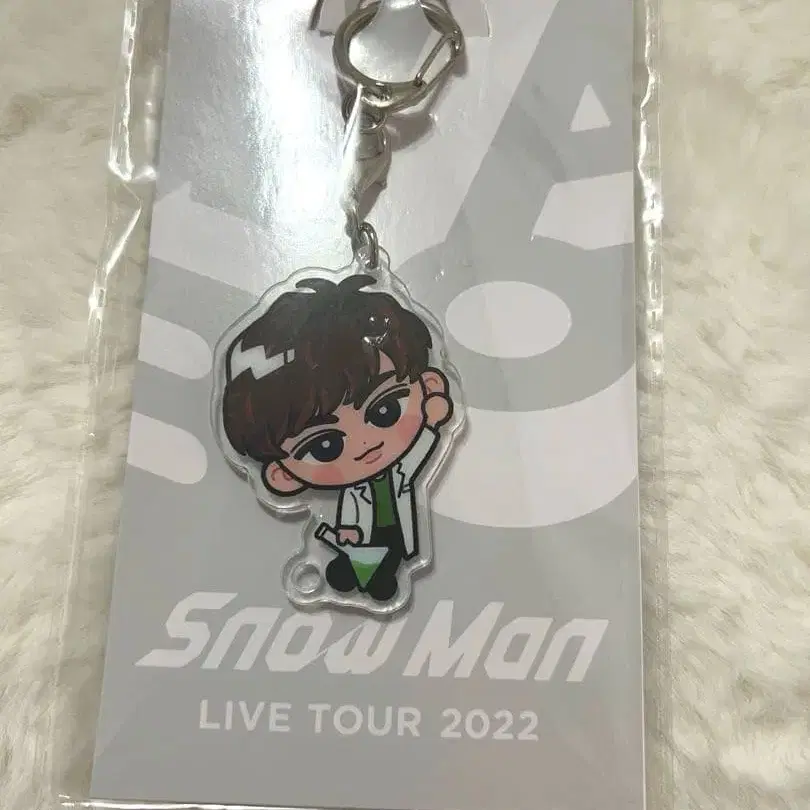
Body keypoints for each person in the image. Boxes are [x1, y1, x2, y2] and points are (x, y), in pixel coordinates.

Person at [221, 274, 454, 602]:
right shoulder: (354, 491)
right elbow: (352, 514)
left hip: (399, 536)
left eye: (384, 411)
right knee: (357, 562)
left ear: (429, 386)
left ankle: (376, 575)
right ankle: (357, 572)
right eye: (325, 446)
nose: (365, 444)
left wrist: (431, 422)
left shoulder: (401, 474)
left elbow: (420, 451)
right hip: (364, 540)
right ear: (282, 474)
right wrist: (347, 533)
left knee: (385, 564)